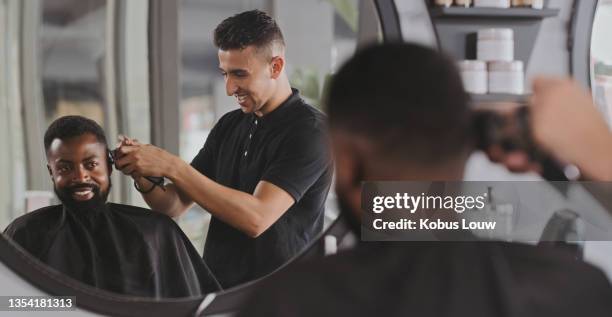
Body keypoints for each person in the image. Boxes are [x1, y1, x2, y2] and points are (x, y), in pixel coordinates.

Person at [239, 43, 612, 316]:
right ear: (465, 150)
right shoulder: (572, 293)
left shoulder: (287, 304)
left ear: (347, 160)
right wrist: (600, 158)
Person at [113, 10, 333, 288]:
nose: (230, 88)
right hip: (218, 293)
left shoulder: (312, 132)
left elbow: (256, 218)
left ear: (275, 67)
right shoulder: (230, 125)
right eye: (225, 74)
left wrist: (172, 166)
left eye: (239, 74)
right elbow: (173, 205)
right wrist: (141, 172)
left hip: (281, 299)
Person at [3, 116, 221, 298]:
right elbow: (9, 304)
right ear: (52, 173)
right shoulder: (24, 235)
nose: (80, 176)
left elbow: (193, 307)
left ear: (109, 166)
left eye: (91, 164)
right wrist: (67, 306)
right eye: (65, 167)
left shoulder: (154, 232)